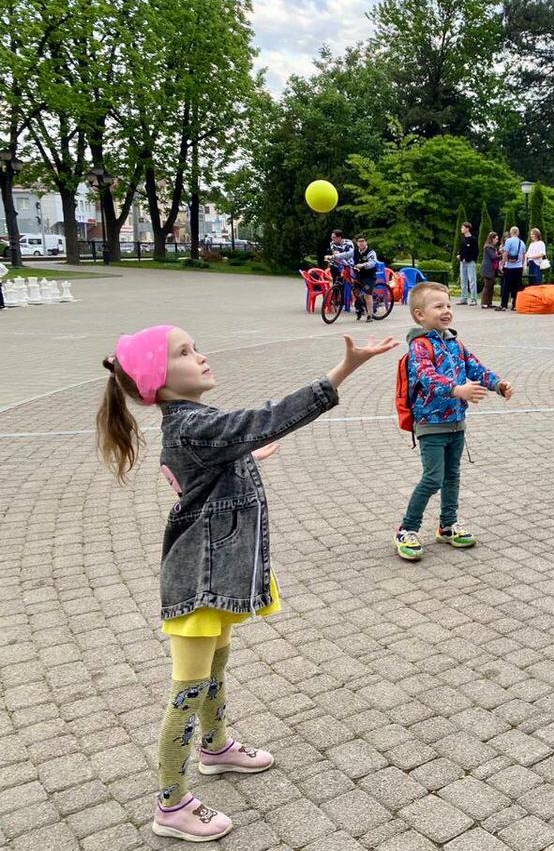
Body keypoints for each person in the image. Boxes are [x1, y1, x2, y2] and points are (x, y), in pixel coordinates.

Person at [96, 324, 397, 841]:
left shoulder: (197, 425)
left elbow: (205, 465)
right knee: (188, 687)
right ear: (159, 378)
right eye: (186, 353)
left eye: (196, 346)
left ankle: (214, 748)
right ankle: (170, 803)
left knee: (217, 664)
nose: (202, 356)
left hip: (220, 575)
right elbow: (263, 420)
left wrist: (244, 456)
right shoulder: (192, 426)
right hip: (199, 579)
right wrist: (344, 370)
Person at [394, 282, 514, 560]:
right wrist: (457, 389)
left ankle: (447, 525)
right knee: (433, 478)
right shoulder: (420, 347)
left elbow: (476, 367)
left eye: (448, 305)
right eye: (438, 306)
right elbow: (427, 377)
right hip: (430, 424)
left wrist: (498, 384)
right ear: (419, 314)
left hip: (456, 423)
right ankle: (407, 528)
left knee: (452, 476)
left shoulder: (454, 342)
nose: (446, 311)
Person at [327, 236, 379, 320]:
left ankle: (370, 315)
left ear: (366, 242)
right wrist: (332, 257)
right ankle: (359, 309)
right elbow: (344, 255)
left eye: (363, 241)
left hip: (369, 276)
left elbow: (372, 263)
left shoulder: (371, 252)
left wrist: (363, 265)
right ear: (357, 243)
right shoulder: (354, 252)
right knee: (355, 292)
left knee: (367, 294)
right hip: (359, 276)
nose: (361, 243)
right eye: (359, 241)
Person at [498, 226, 525, 311]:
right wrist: (522, 265)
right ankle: (515, 305)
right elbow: (524, 256)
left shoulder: (508, 241)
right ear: (518, 233)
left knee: (506, 286)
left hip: (509, 267)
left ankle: (504, 305)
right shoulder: (522, 243)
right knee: (517, 287)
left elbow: (505, 253)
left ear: (510, 233)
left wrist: (502, 264)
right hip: (519, 267)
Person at [457, 222, 479, 306]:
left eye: (462, 228)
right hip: (462, 262)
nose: (461, 229)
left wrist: (469, 259)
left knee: (472, 280)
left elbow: (476, 251)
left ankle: (473, 299)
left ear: (467, 229)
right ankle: (463, 298)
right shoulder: (463, 239)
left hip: (470, 262)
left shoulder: (473, 239)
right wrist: (459, 255)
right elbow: (461, 250)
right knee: (463, 280)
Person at [480, 232, 500, 308]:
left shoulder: (492, 247)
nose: (497, 240)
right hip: (488, 269)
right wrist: (502, 256)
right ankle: (484, 303)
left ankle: (489, 302)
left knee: (491, 286)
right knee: (487, 286)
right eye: (496, 239)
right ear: (492, 238)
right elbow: (493, 257)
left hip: (491, 269)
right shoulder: (488, 247)